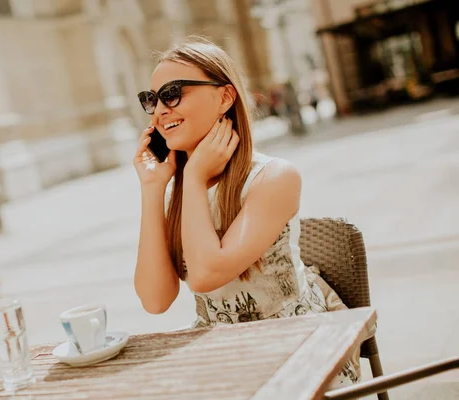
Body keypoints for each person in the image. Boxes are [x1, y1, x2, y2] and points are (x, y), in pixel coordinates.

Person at [132, 36, 360, 388]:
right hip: (223, 355)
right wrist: (152, 188)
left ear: (224, 97)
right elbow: (155, 300)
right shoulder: (176, 192)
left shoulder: (273, 177)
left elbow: (207, 275)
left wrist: (192, 177)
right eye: (152, 99)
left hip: (297, 351)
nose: (160, 109)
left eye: (173, 93)